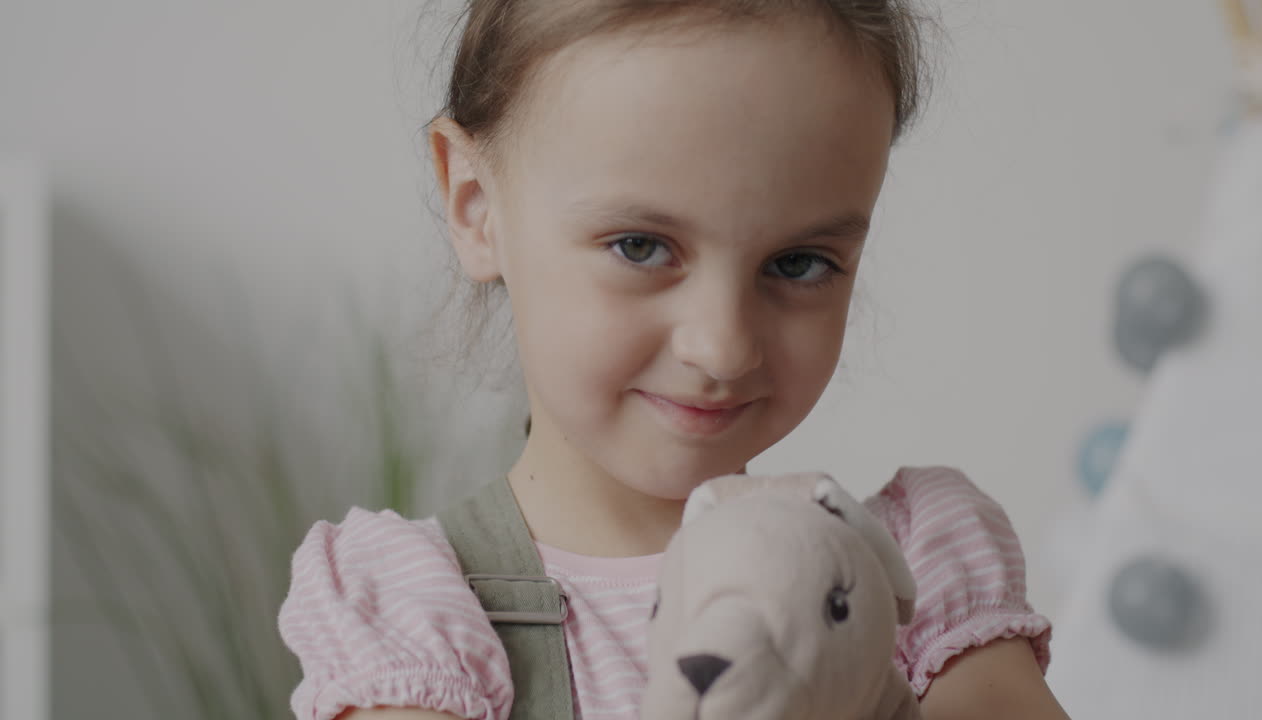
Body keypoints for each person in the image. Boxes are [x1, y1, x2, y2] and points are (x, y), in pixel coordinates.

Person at [278, 2, 1071, 718]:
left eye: (798, 263)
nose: (723, 345)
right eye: (641, 246)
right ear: (476, 207)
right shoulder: (411, 616)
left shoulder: (912, 582)